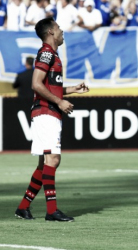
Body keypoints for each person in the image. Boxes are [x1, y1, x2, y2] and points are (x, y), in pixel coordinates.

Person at [15, 17, 89, 222]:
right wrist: (60, 102)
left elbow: (49, 86)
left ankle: (23, 207)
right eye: (58, 27)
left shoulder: (52, 55)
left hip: (48, 112)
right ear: (50, 33)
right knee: (53, 160)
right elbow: (36, 84)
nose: (61, 30)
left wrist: (71, 90)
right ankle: (51, 211)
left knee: (44, 164)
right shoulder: (47, 53)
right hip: (46, 112)